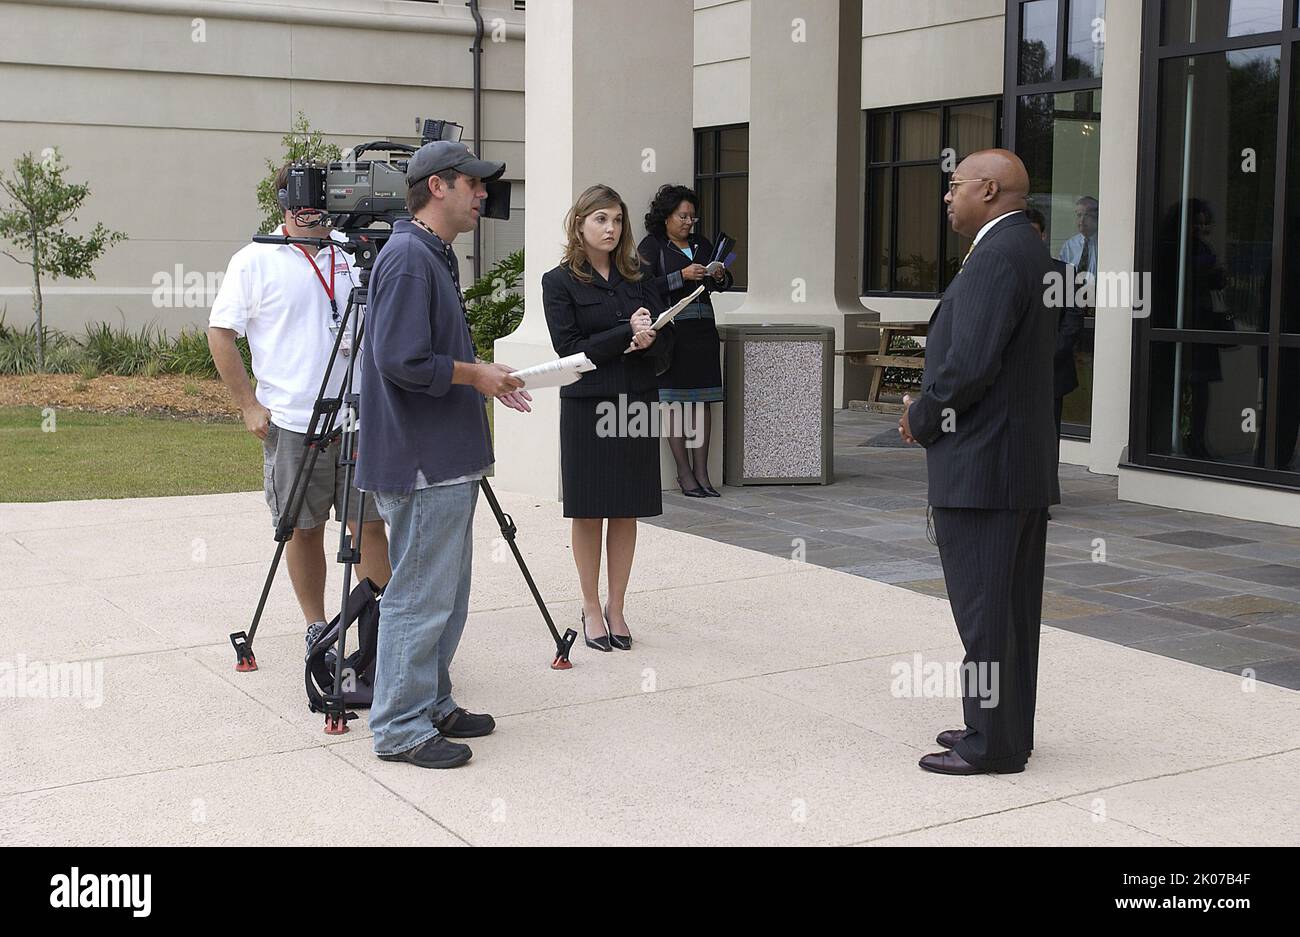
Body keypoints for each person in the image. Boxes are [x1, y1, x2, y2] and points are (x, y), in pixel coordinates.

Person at [356, 141, 533, 769]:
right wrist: (472, 374)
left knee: (447, 594)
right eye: (474, 184)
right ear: (439, 187)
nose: (484, 195)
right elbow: (397, 361)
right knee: (419, 595)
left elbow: (425, 358)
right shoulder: (408, 258)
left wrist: (485, 377)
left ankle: (432, 702)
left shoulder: (429, 255)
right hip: (421, 460)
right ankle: (400, 729)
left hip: (442, 457)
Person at [899, 149, 1059, 776]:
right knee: (1011, 609)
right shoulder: (1029, 250)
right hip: (1014, 463)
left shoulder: (996, 256)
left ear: (988, 190)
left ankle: (992, 745)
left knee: (987, 612)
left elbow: (968, 366)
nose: (947, 196)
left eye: (955, 185)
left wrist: (920, 416)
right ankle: (1001, 726)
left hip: (985, 466)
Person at [209, 164, 390, 641]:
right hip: (292, 419)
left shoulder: (353, 253)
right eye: (301, 201)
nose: (313, 212)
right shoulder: (254, 259)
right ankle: (316, 625)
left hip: (358, 414)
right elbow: (220, 334)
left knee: (368, 523)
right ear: (283, 206)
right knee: (302, 527)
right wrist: (248, 404)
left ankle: (380, 624)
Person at [542, 184, 675, 653]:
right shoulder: (558, 282)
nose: (611, 228)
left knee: (626, 507)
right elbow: (569, 348)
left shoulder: (639, 279)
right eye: (600, 219)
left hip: (636, 400)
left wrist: (651, 339)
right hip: (588, 404)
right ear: (579, 224)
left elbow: (665, 336)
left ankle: (617, 606)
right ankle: (591, 606)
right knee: (589, 508)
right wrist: (625, 333)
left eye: (617, 220)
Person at [638, 184, 731, 497]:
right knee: (675, 404)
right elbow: (643, 287)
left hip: (704, 333)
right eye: (683, 216)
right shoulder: (652, 247)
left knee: (702, 404)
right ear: (666, 217)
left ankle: (703, 472)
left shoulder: (702, 244)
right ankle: (684, 473)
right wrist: (682, 276)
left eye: (693, 216)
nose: (689, 222)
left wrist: (718, 277)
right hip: (672, 335)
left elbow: (720, 283)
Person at [1058, 195, 1098, 277]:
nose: (1082, 220)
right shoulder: (1069, 245)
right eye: (1079, 215)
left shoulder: (1103, 243)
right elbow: (1061, 275)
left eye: (1087, 215)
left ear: (1097, 217)